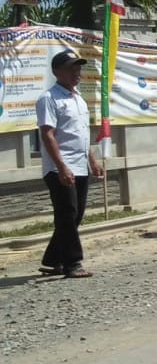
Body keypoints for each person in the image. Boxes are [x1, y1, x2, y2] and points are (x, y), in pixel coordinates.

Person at [35, 49, 104, 278]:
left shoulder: (78, 99)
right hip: (59, 167)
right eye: (71, 68)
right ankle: (72, 263)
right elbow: (48, 134)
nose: (77, 72)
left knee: (75, 214)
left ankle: (52, 259)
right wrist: (62, 166)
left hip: (80, 165)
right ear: (57, 71)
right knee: (67, 213)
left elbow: (80, 134)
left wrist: (92, 160)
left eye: (78, 67)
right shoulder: (49, 99)